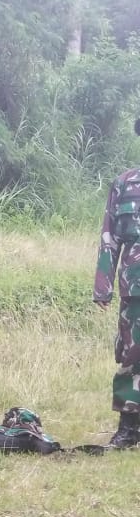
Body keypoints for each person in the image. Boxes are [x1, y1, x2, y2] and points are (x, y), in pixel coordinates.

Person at [93, 116, 140, 449]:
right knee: (131, 356)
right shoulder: (124, 183)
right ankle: (128, 428)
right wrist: (102, 286)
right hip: (133, 286)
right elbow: (109, 238)